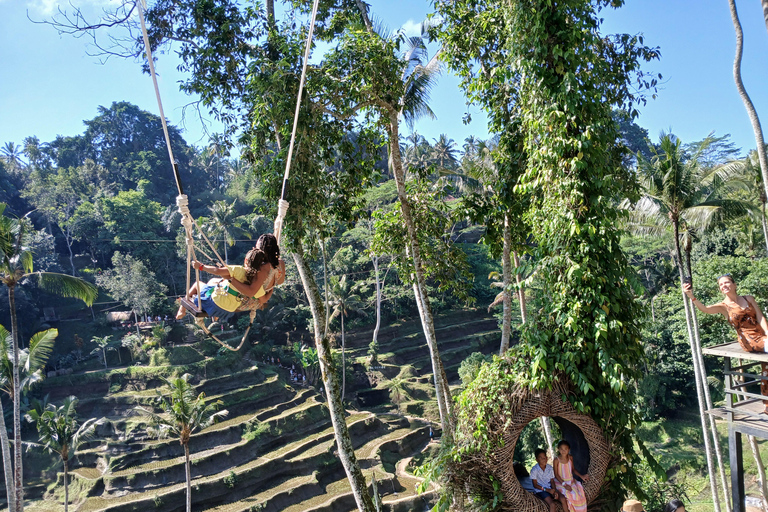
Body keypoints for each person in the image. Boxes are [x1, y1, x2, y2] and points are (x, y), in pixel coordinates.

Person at [684, 274, 768, 411]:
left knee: (767, 368)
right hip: (748, 340)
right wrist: (691, 296)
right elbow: (705, 309)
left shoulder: (749, 298)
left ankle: (767, 405)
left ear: (734, 285)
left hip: (764, 337)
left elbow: (760, 316)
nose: (724, 286)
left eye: (727, 282)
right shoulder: (724, 306)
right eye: (721, 285)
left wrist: (767, 333)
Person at [553, 440, 589, 512]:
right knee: (570, 495)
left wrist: (582, 476)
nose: (563, 451)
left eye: (565, 449)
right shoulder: (556, 460)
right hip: (560, 482)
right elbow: (556, 475)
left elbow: (573, 469)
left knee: (579, 496)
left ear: (569, 450)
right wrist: (564, 484)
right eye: (561, 449)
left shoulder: (570, 458)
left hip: (571, 481)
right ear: (558, 449)